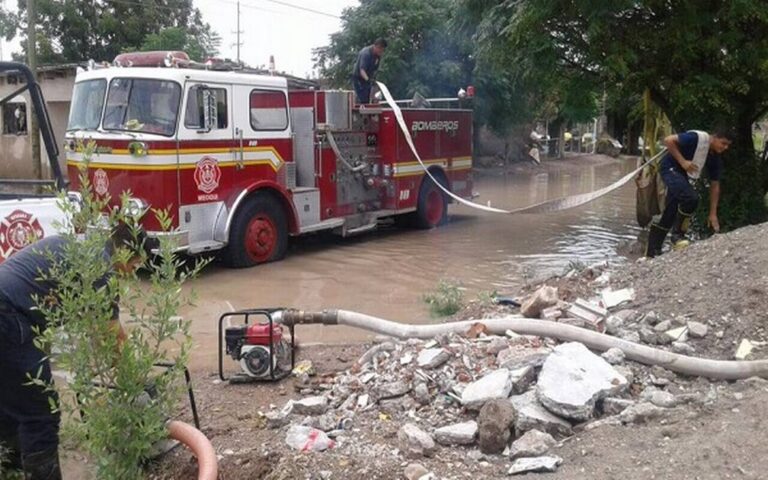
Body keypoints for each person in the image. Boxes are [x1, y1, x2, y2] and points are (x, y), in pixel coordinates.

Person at [0, 223, 147, 479]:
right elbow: (111, 335)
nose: (133, 271)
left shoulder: (80, 247)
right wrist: (132, 379)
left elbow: (92, 327)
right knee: (40, 413)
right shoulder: (100, 268)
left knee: (11, 401)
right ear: (124, 252)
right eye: (135, 264)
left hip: (10, 310)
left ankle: (10, 468)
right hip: (8, 315)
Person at [645, 127, 734, 257]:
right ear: (714, 137)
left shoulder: (714, 158)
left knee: (670, 212)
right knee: (690, 198)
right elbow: (669, 140)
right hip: (670, 168)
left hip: (682, 175)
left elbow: (715, 186)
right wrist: (683, 162)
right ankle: (677, 236)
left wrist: (713, 213)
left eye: (728, 145)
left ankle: (652, 252)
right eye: (723, 143)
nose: (725, 148)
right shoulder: (697, 138)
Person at [352, 38, 387, 104]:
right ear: (376, 47)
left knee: (369, 97)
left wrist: (374, 80)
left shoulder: (377, 56)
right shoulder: (366, 53)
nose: (382, 53)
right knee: (363, 98)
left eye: (383, 51)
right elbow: (362, 70)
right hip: (359, 78)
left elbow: (375, 69)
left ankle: (369, 110)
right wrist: (368, 80)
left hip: (367, 78)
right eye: (381, 50)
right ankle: (361, 111)